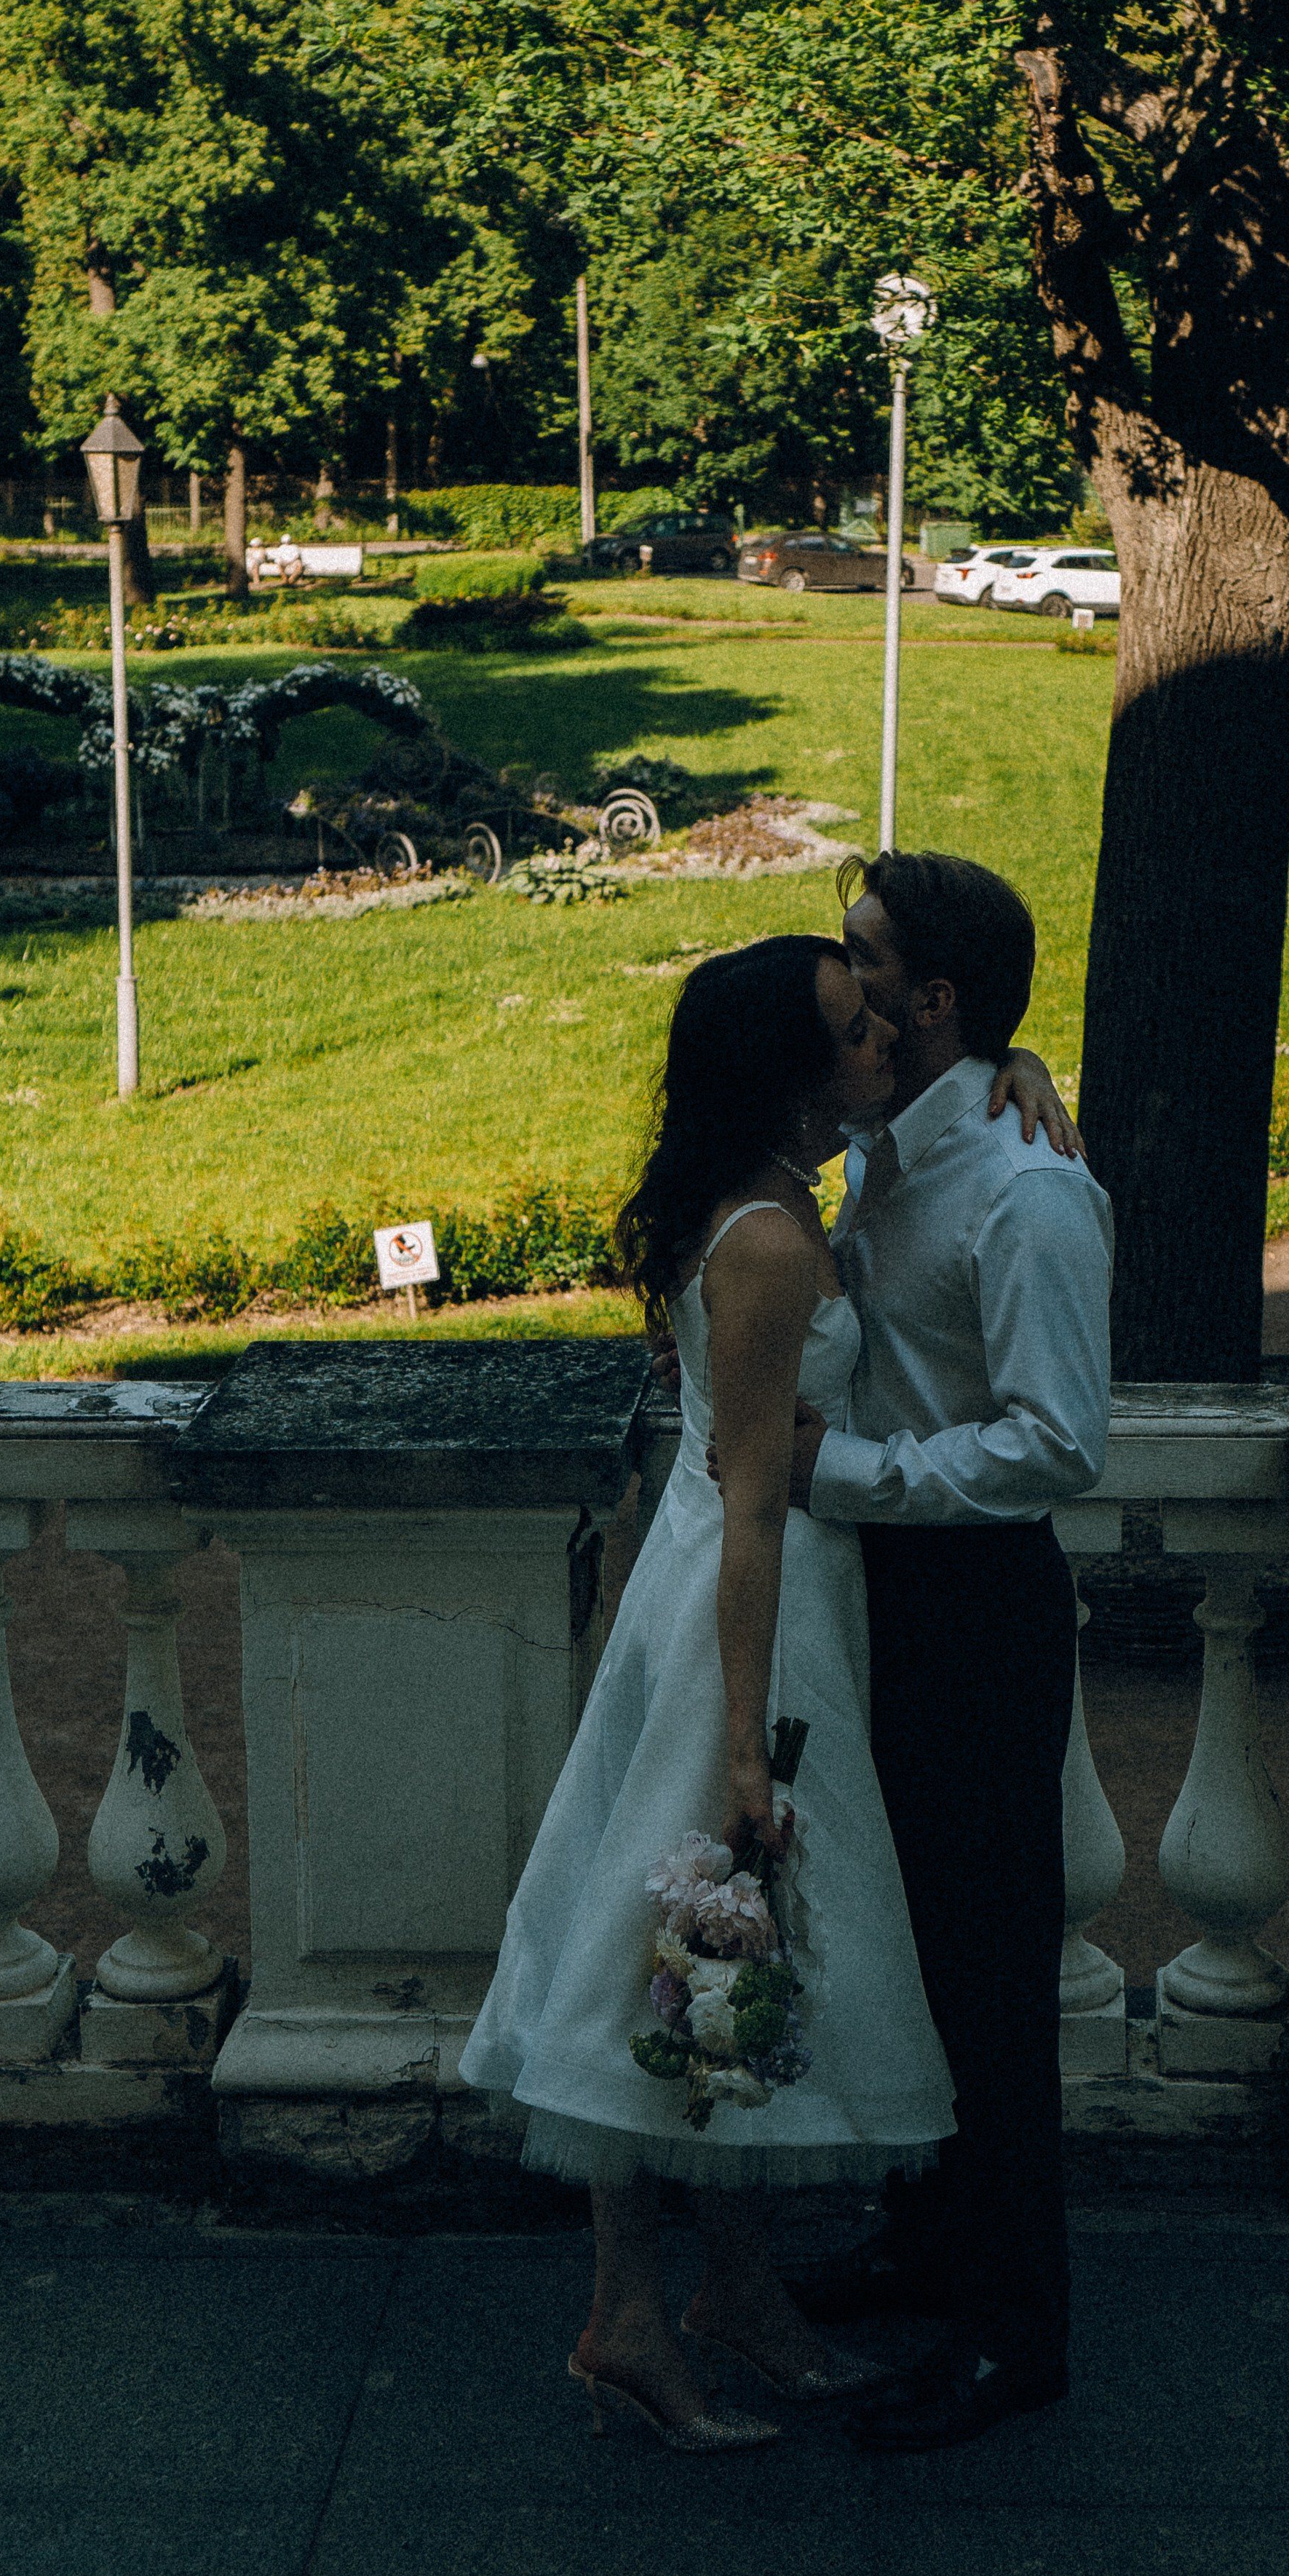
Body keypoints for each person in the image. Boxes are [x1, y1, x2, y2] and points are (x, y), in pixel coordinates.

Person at [459, 934, 957, 2453]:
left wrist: (1010, 1068)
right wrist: (744, 1739)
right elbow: (753, 1502)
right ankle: (625, 2316)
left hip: (733, 1598)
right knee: (679, 1945)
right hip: (751, 1617)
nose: (879, 1037)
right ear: (785, 1074)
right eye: (851, 1028)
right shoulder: (762, 1244)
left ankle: (733, 2297)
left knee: (727, 1963)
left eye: (875, 1015)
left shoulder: (790, 1200)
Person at [784, 850, 1113, 2454]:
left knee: (987, 1977)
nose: (837, 976)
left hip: (973, 1610)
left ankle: (1013, 2330)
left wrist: (835, 1479)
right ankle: (926, 2243)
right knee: (896, 1944)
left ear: (934, 999)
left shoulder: (1025, 1189)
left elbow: (1057, 1445)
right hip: (876, 1598)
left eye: (863, 956)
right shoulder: (889, 1146)